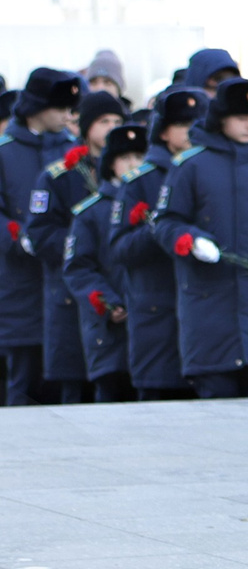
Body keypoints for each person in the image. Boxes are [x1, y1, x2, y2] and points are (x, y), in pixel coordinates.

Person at [155, 78, 248, 400]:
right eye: (241, 118)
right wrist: (192, 240)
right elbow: (166, 221)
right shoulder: (191, 166)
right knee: (216, 403)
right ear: (222, 118)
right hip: (209, 306)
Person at [34, 89, 128, 402]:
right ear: (86, 127)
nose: (111, 128)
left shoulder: (129, 172)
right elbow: (40, 233)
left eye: (117, 121)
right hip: (72, 292)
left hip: (117, 291)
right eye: (104, 121)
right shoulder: (59, 176)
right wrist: (83, 241)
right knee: (75, 388)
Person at [106, 90, 199, 400]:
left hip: (206, 314)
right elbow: (119, 248)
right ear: (163, 131)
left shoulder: (208, 171)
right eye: (183, 125)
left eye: (197, 124)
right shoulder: (140, 181)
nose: (191, 131)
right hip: (157, 312)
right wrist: (162, 230)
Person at [1, 70, 81, 404]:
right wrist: (17, 239)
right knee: (24, 377)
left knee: (67, 380)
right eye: (59, 108)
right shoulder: (5, 152)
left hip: (65, 276)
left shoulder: (73, 153)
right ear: (36, 108)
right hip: (20, 280)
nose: (67, 115)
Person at [63, 120, 150, 402]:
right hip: (111, 331)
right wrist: (107, 302)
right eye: (125, 158)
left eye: (139, 157)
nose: (133, 164)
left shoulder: (157, 206)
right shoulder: (91, 212)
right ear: (111, 163)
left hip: (152, 326)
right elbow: (78, 268)